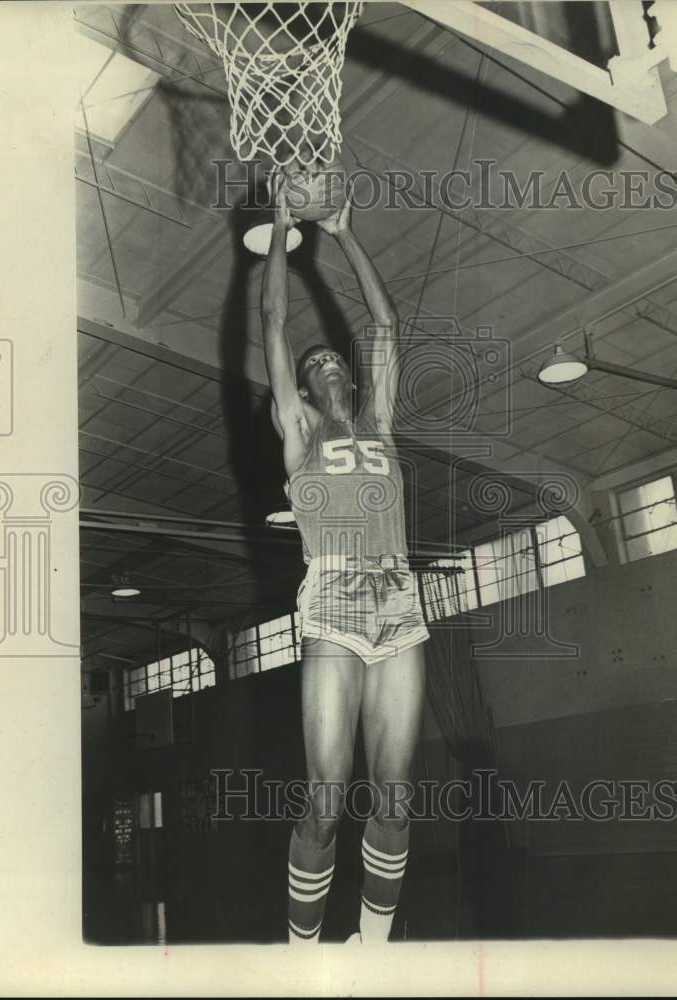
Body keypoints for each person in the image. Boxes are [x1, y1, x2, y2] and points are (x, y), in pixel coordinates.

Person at [260, 169, 429, 945]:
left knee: (393, 797)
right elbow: (273, 322)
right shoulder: (301, 436)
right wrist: (278, 230)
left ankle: (374, 948)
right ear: (293, 394)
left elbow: (388, 325)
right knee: (326, 797)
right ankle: (302, 951)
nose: (325, 360)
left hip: (399, 599)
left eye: (333, 359)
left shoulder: (380, 428)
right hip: (330, 601)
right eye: (313, 362)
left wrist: (345, 231)